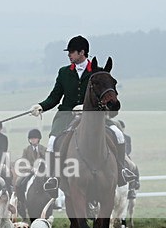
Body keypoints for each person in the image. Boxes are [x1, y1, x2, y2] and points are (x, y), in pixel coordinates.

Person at [29, 35, 134, 193]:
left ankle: (121, 170)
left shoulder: (97, 72)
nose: (69, 55)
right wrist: (41, 106)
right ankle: (53, 177)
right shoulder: (64, 72)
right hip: (66, 115)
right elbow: (55, 96)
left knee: (118, 134)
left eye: (72, 52)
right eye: (69, 52)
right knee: (52, 142)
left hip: (93, 116)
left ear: (82, 52)